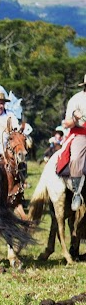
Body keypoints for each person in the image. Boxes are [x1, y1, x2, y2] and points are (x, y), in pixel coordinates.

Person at [59, 74, 86, 210]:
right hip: (81, 133)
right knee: (75, 158)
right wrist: (75, 119)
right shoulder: (76, 99)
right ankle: (77, 193)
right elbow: (66, 123)